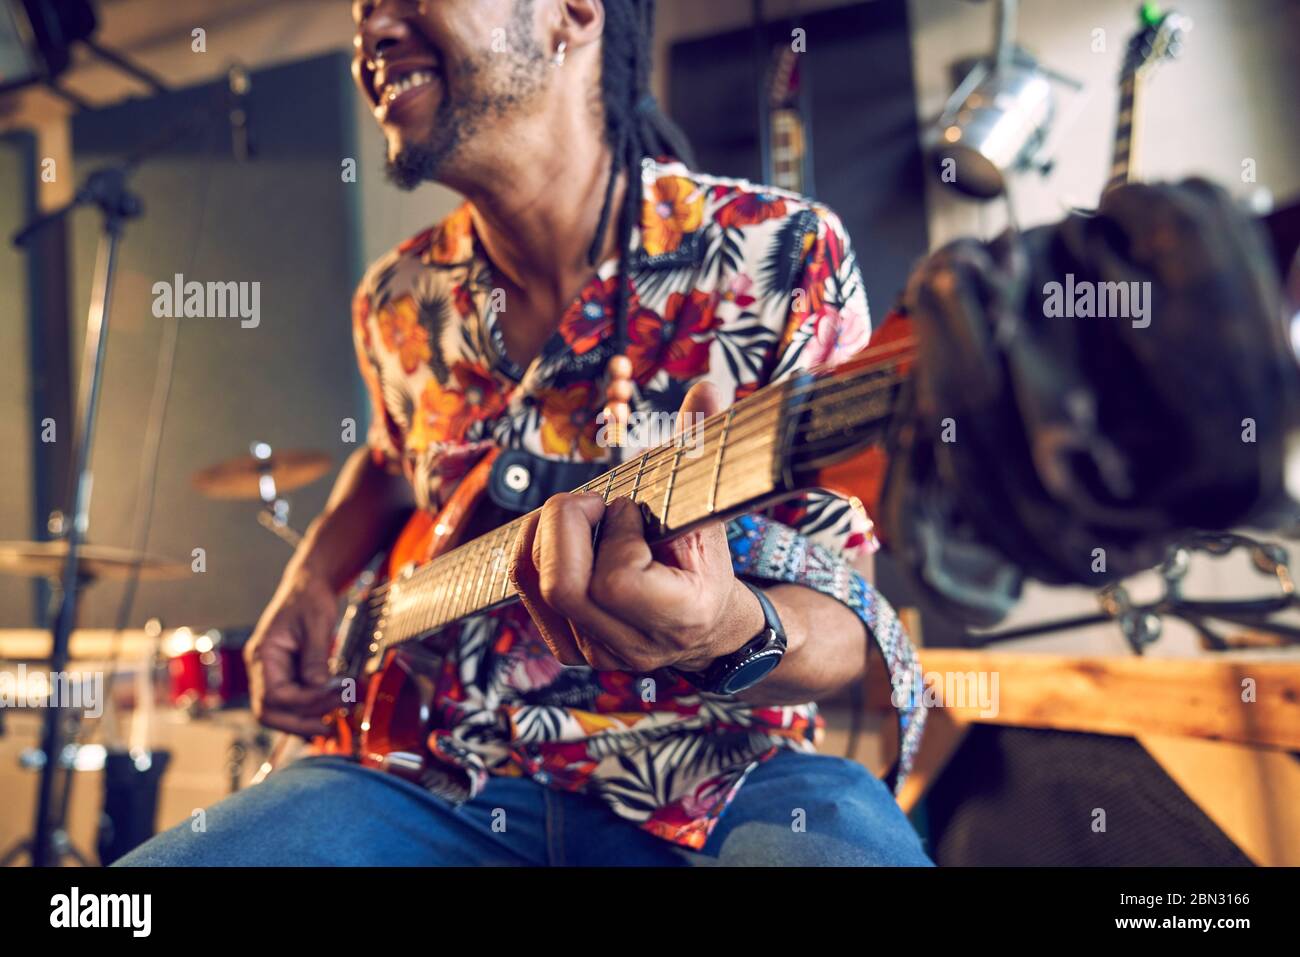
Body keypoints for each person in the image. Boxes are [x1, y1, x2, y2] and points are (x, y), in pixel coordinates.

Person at [119, 0, 930, 867]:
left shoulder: (781, 252)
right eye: (362, 9)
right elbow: (394, 464)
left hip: (721, 773)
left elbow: (845, 629)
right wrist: (314, 574)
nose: (373, 30)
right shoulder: (397, 298)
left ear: (572, 13)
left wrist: (722, 630)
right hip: (438, 774)